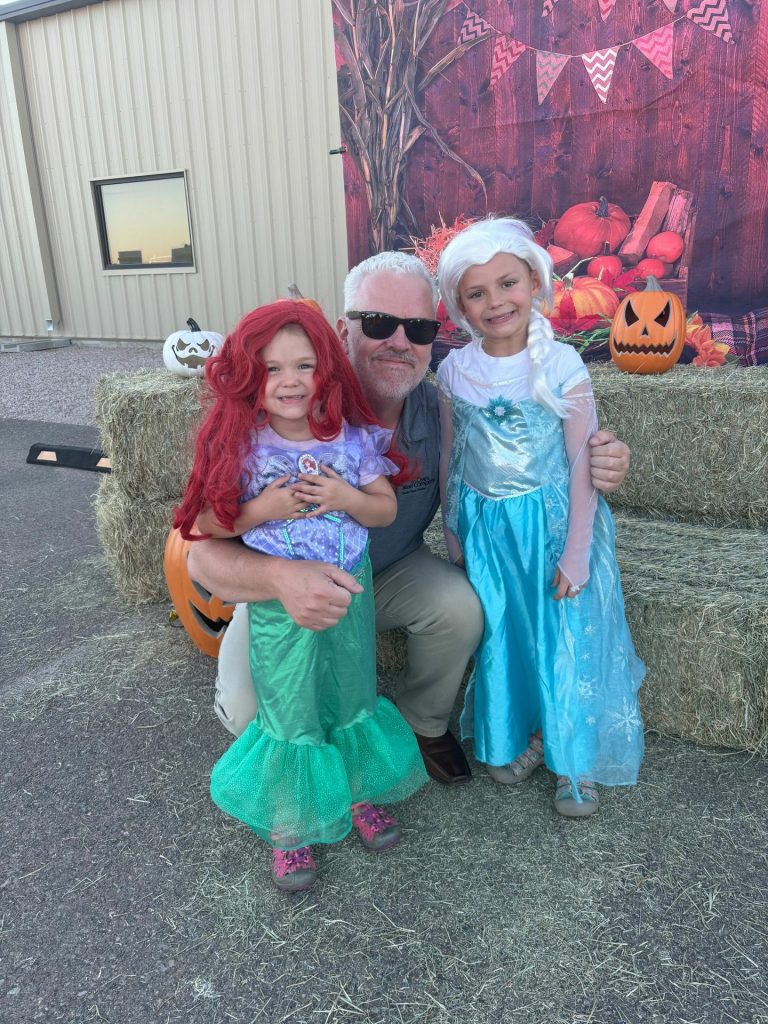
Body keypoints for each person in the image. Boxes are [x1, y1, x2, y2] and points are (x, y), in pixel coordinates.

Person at [186, 250, 633, 788]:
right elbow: (198, 553)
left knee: (459, 606)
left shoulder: (443, 404)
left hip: (388, 573)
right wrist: (280, 579)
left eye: (418, 329)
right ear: (342, 331)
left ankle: (421, 723)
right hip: (280, 593)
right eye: (378, 323)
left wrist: (600, 457)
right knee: (249, 718)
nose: (400, 341)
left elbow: (524, 450)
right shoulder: (280, 414)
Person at [175, 301, 427, 891]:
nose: (289, 381)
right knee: (291, 704)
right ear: (248, 376)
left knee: (350, 693)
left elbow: (384, 510)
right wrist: (262, 508)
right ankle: (289, 823)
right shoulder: (243, 447)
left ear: (327, 371)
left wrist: (345, 496)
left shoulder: (351, 440)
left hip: (350, 595)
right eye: (272, 368)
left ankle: (357, 791)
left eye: (304, 366)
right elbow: (205, 524)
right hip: (278, 606)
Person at [435, 217, 645, 817]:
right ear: (460, 306)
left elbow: (581, 464)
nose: (496, 302)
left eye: (507, 284)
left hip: (552, 527)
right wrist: (454, 532)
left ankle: (572, 758)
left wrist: (576, 553)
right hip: (490, 532)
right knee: (509, 634)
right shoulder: (454, 372)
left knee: (561, 637)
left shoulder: (561, 366)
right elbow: (452, 455)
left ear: (533, 282)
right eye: (477, 293)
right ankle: (522, 735)